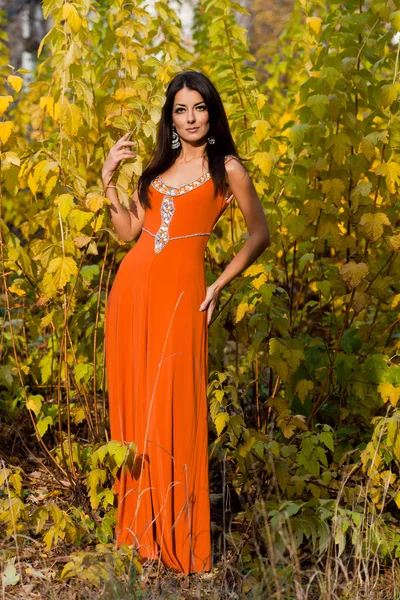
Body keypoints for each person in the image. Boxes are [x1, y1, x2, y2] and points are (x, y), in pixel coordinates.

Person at [102, 70, 270, 576]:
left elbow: (260, 234)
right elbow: (129, 232)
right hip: (132, 294)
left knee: (176, 401)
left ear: (211, 113)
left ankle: (179, 537)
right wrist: (107, 181)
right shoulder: (154, 169)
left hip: (182, 297)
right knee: (137, 407)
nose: (191, 118)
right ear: (170, 117)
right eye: (181, 109)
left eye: (199, 108)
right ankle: (139, 533)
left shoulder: (228, 169)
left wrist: (218, 284)